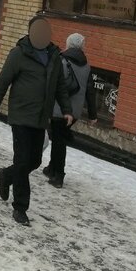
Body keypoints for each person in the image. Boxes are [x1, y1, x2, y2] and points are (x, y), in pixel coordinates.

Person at [0, 16, 73, 226]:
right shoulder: (18, 54)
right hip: (21, 116)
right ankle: (20, 208)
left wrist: (67, 109)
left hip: (41, 118)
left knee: (35, 161)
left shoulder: (54, 56)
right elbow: (2, 83)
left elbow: (60, 86)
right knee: (23, 160)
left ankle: (6, 175)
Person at [43, 33, 98, 188]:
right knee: (59, 138)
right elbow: (90, 91)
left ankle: (58, 175)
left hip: (59, 109)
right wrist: (92, 115)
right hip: (75, 113)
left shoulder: (60, 60)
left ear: (68, 44)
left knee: (59, 142)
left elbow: (50, 84)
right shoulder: (86, 66)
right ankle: (51, 168)